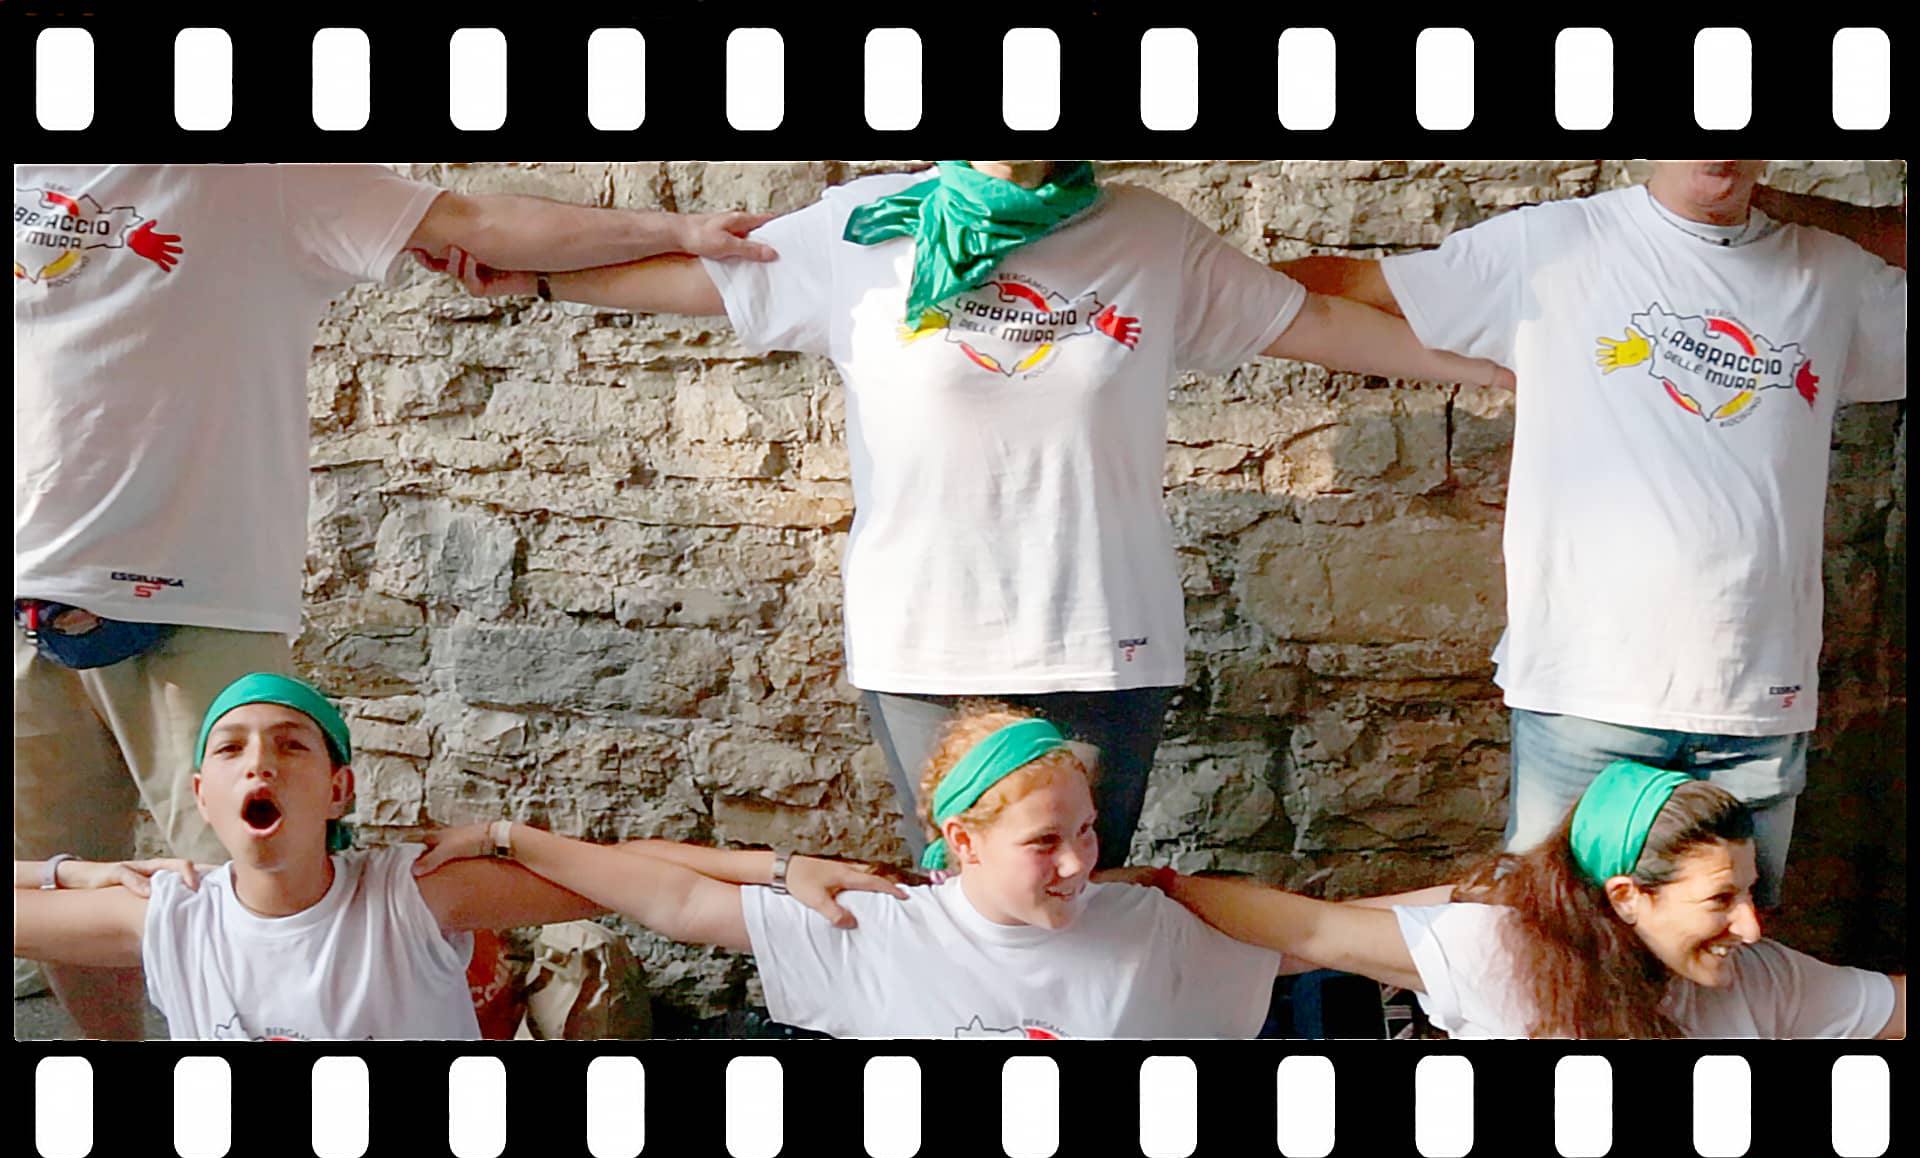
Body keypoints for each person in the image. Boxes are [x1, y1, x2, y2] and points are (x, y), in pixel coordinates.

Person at [431, 159, 1511, 871]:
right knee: (960, 907)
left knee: (1076, 891)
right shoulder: (865, 228)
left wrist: (1512, 372)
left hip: (1104, 642)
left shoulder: (1145, 234)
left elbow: (1311, 321)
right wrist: (534, 280)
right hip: (927, 644)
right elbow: (701, 280)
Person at [13, 163, 776, 1037]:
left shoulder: (248, 178)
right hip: (23, 606)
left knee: (258, 892)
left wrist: (675, 232)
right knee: (62, 889)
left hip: (198, 601)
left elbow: (473, 222)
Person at [1280, 160, 1907, 907]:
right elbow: (1338, 290)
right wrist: (1189, 296)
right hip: (1587, 693)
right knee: (1556, 944)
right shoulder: (1553, 245)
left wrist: (1808, 212)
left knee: (1725, 952)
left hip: (1757, 703)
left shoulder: (1832, 273)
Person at [12, 672, 898, 1040]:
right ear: (203, 794)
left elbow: (621, 870)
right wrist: (70, 872)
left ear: (339, 790)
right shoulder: (168, 917)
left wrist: (778, 867)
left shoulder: (412, 893)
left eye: (290, 745)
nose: (261, 763)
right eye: (233, 749)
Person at [414, 701, 1289, 1038]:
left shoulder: (1142, 923)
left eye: (1089, 833)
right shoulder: (874, 923)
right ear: (965, 840)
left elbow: (1318, 940)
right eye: (1044, 842)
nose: (1078, 863)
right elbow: (669, 895)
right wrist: (507, 834)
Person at [1133, 760, 1905, 1038]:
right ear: (1626, 897)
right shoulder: (1502, 951)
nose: (1751, 925)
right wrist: (1161, 887)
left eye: (1750, 893)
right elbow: (1311, 931)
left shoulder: (1761, 981)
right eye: (1721, 900)